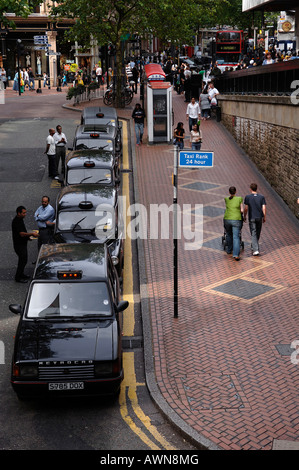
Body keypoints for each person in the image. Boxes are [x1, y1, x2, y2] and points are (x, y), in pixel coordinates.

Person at [12, 206, 38, 283]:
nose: (25, 214)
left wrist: (28, 238)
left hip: (22, 243)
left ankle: (21, 274)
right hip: (19, 245)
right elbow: (21, 234)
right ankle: (18, 277)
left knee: (24, 260)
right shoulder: (16, 222)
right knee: (22, 260)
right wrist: (32, 234)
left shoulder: (20, 219)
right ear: (18, 213)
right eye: (23, 213)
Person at [243, 183, 266, 256]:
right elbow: (264, 208)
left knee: (253, 233)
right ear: (257, 188)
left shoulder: (248, 197)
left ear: (250, 189)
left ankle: (255, 249)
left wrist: (244, 216)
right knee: (258, 232)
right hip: (259, 217)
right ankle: (254, 246)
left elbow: (246, 208)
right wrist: (264, 217)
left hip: (252, 217)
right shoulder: (261, 197)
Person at [223, 186, 244, 261]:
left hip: (227, 219)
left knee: (228, 234)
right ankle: (236, 255)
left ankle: (229, 250)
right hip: (236, 219)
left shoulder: (226, 199)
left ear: (229, 192)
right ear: (236, 191)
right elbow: (242, 210)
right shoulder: (239, 199)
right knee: (236, 237)